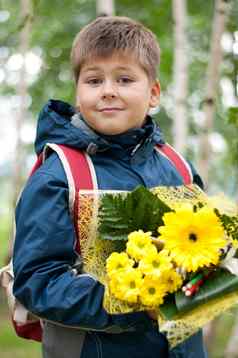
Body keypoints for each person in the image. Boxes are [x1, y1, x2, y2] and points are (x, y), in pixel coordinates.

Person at [13, 16, 207, 358]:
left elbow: (206, 252)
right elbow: (36, 281)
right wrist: (128, 300)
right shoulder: (60, 176)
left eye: (125, 78)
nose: (108, 90)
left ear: (153, 94)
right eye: (93, 80)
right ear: (78, 92)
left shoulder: (179, 168)